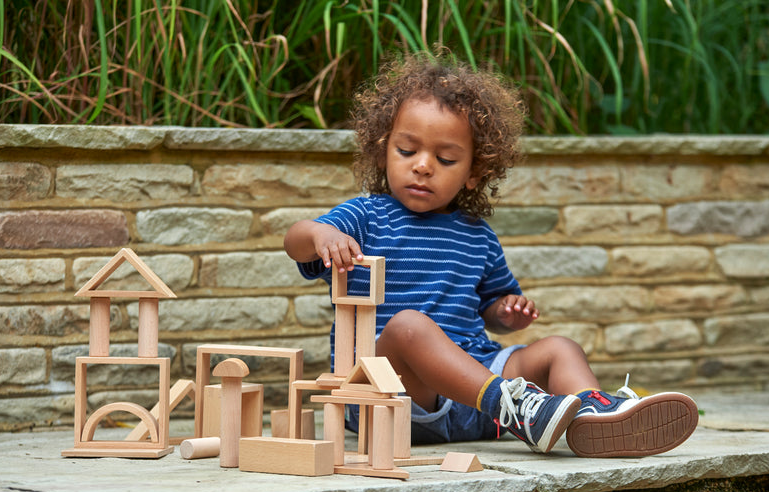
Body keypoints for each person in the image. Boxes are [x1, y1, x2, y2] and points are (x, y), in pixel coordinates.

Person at [284, 52, 698, 457]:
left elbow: (491, 307)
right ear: (382, 151)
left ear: (474, 173)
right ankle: (518, 406)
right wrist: (320, 233)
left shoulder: (477, 235)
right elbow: (294, 240)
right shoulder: (365, 217)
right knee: (407, 326)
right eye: (407, 151)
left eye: (445, 158)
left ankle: (595, 416)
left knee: (560, 347)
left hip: (475, 394)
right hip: (393, 396)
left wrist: (506, 311)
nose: (423, 166)